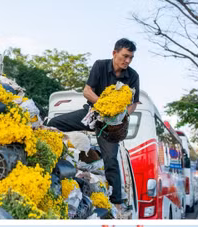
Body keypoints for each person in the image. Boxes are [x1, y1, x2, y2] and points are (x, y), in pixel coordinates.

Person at [48, 38, 141, 210]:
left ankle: (117, 201)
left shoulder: (133, 76)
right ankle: (54, 162)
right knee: (54, 123)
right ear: (114, 53)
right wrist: (104, 106)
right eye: (125, 56)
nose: (127, 60)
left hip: (110, 124)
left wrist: (120, 116)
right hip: (93, 113)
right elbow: (87, 91)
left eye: (131, 58)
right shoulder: (100, 66)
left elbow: (133, 103)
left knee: (111, 159)